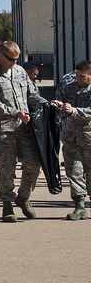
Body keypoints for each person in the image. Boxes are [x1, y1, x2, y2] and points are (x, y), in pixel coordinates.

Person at [0, 40, 47, 222]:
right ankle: (7, 205)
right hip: (3, 130)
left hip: (24, 128)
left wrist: (47, 104)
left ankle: (23, 197)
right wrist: (15, 113)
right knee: (6, 169)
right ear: (1, 56)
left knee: (34, 164)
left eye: (17, 59)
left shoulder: (20, 72)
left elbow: (32, 95)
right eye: (11, 59)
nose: (15, 63)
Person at [52, 60, 91, 220]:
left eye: (82, 76)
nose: (79, 79)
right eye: (77, 75)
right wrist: (58, 106)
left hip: (89, 138)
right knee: (74, 172)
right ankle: (79, 206)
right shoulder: (69, 88)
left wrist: (73, 111)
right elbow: (60, 109)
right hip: (71, 138)